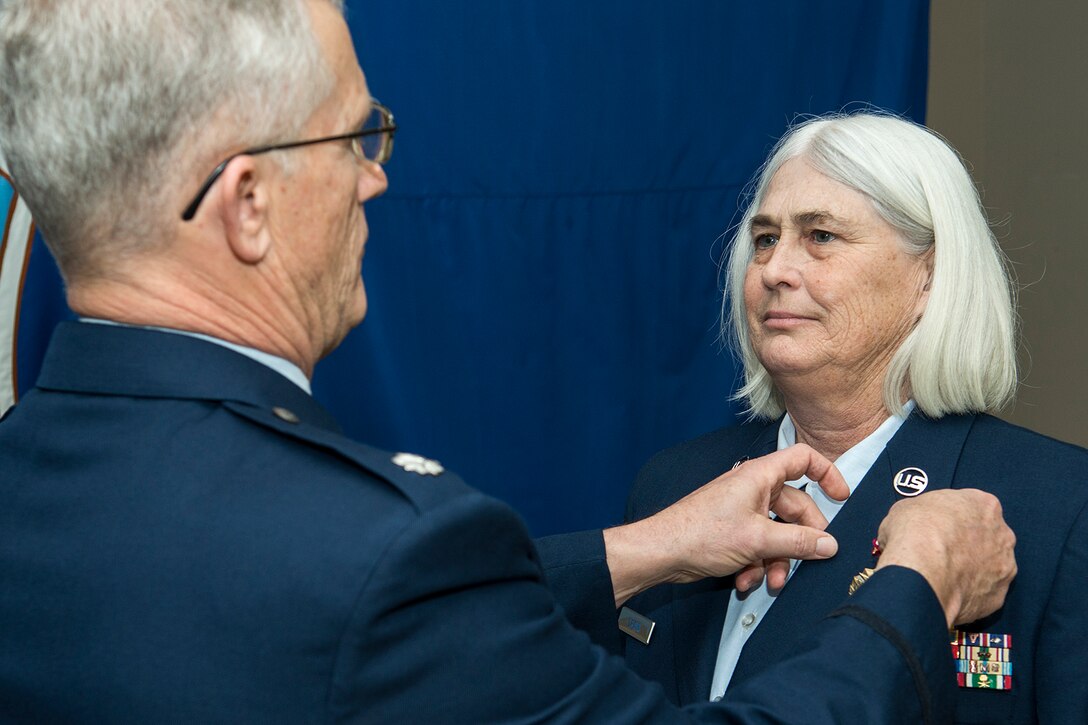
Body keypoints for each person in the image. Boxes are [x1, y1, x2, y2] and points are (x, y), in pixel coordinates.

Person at [0, 2, 1015, 721]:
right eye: (356, 137)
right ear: (248, 203)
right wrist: (915, 580)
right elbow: (354, 597)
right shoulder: (381, 549)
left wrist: (640, 550)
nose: (375, 180)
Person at [542, 112, 1088, 723]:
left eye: (821, 236)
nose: (775, 270)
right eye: (765, 239)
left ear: (930, 275)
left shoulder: (1059, 504)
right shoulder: (673, 483)